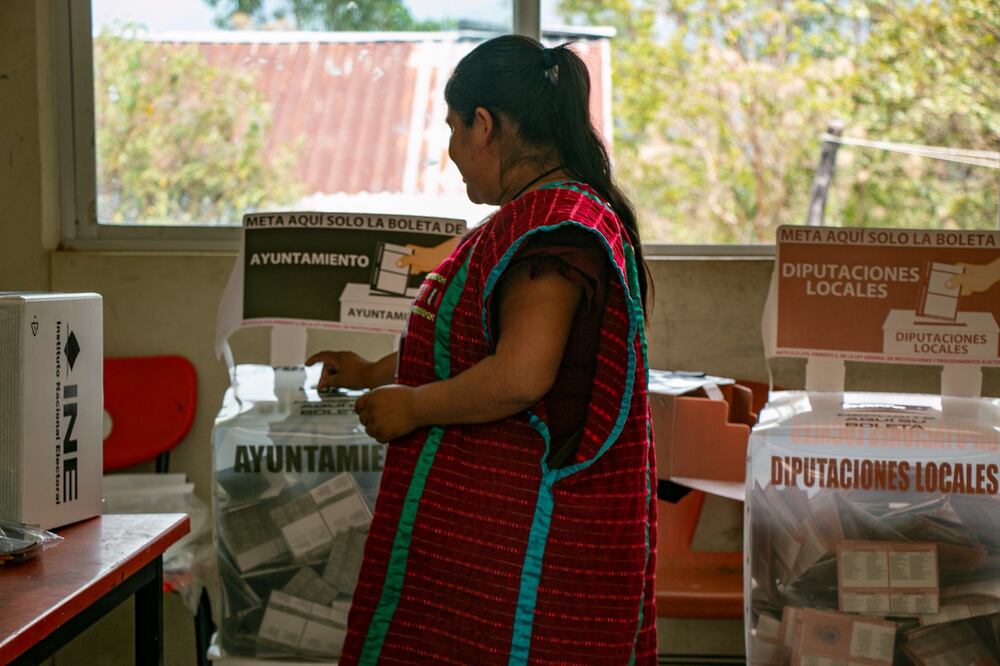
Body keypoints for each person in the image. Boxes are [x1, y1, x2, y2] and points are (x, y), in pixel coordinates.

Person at [308, 34, 656, 665]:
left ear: (485, 125)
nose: (452, 152)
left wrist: (413, 407)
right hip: (489, 531)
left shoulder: (555, 229)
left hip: (529, 538)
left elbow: (521, 373)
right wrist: (375, 372)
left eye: (454, 129)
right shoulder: (529, 217)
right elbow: (470, 344)